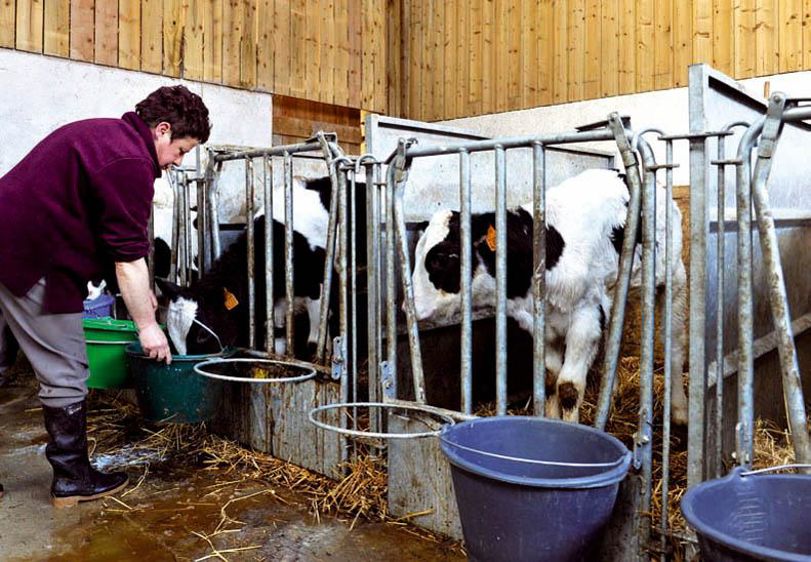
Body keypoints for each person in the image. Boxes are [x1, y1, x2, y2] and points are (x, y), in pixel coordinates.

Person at [0, 85, 211, 507]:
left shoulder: (102, 136)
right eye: (182, 150)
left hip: (7, 242)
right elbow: (127, 258)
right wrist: (148, 328)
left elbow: (110, 237)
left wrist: (142, 292)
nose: (177, 162)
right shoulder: (130, 161)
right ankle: (72, 478)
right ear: (162, 130)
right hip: (32, 261)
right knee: (65, 370)